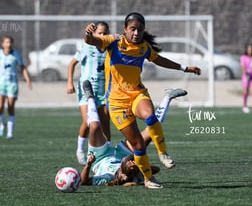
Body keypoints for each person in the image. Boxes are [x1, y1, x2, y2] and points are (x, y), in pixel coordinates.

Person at [83, 12, 201, 188]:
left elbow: (159, 59)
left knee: (150, 116)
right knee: (138, 143)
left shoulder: (144, 48)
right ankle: (148, 179)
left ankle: (163, 154)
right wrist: (88, 34)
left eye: (140, 29)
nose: (136, 33)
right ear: (125, 29)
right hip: (116, 103)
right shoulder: (113, 42)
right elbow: (92, 42)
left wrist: (184, 68)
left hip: (137, 93)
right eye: (133, 29)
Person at [80, 80, 187, 187]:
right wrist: (140, 168)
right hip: (122, 154)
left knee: (95, 127)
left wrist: (88, 164)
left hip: (99, 158)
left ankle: (90, 97)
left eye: (131, 164)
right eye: (133, 165)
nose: (132, 162)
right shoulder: (135, 173)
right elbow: (156, 169)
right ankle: (167, 97)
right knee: (152, 130)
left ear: (123, 171)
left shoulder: (108, 177)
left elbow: (84, 182)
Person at [67, 21, 111, 165]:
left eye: (105, 33)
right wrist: (69, 83)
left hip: (102, 91)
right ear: (93, 34)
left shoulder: (110, 48)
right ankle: (80, 150)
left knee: (105, 122)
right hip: (86, 89)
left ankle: (107, 152)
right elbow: (72, 64)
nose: (102, 35)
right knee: (88, 121)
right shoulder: (86, 47)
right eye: (100, 33)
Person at [0, 35, 32, 139]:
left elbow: (22, 67)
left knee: (10, 107)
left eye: (10, 42)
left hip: (12, 84)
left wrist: (28, 80)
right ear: (3, 44)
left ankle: (10, 133)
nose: (9, 44)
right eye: (7, 42)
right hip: (1, 84)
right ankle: (3, 123)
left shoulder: (16, 54)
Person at [240, 43, 252, 113]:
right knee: (245, 92)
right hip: (246, 77)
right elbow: (242, 67)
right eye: (249, 49)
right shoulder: (243, 57)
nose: (250, 50)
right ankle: (244, 106)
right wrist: (246, 74)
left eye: (251, 49)